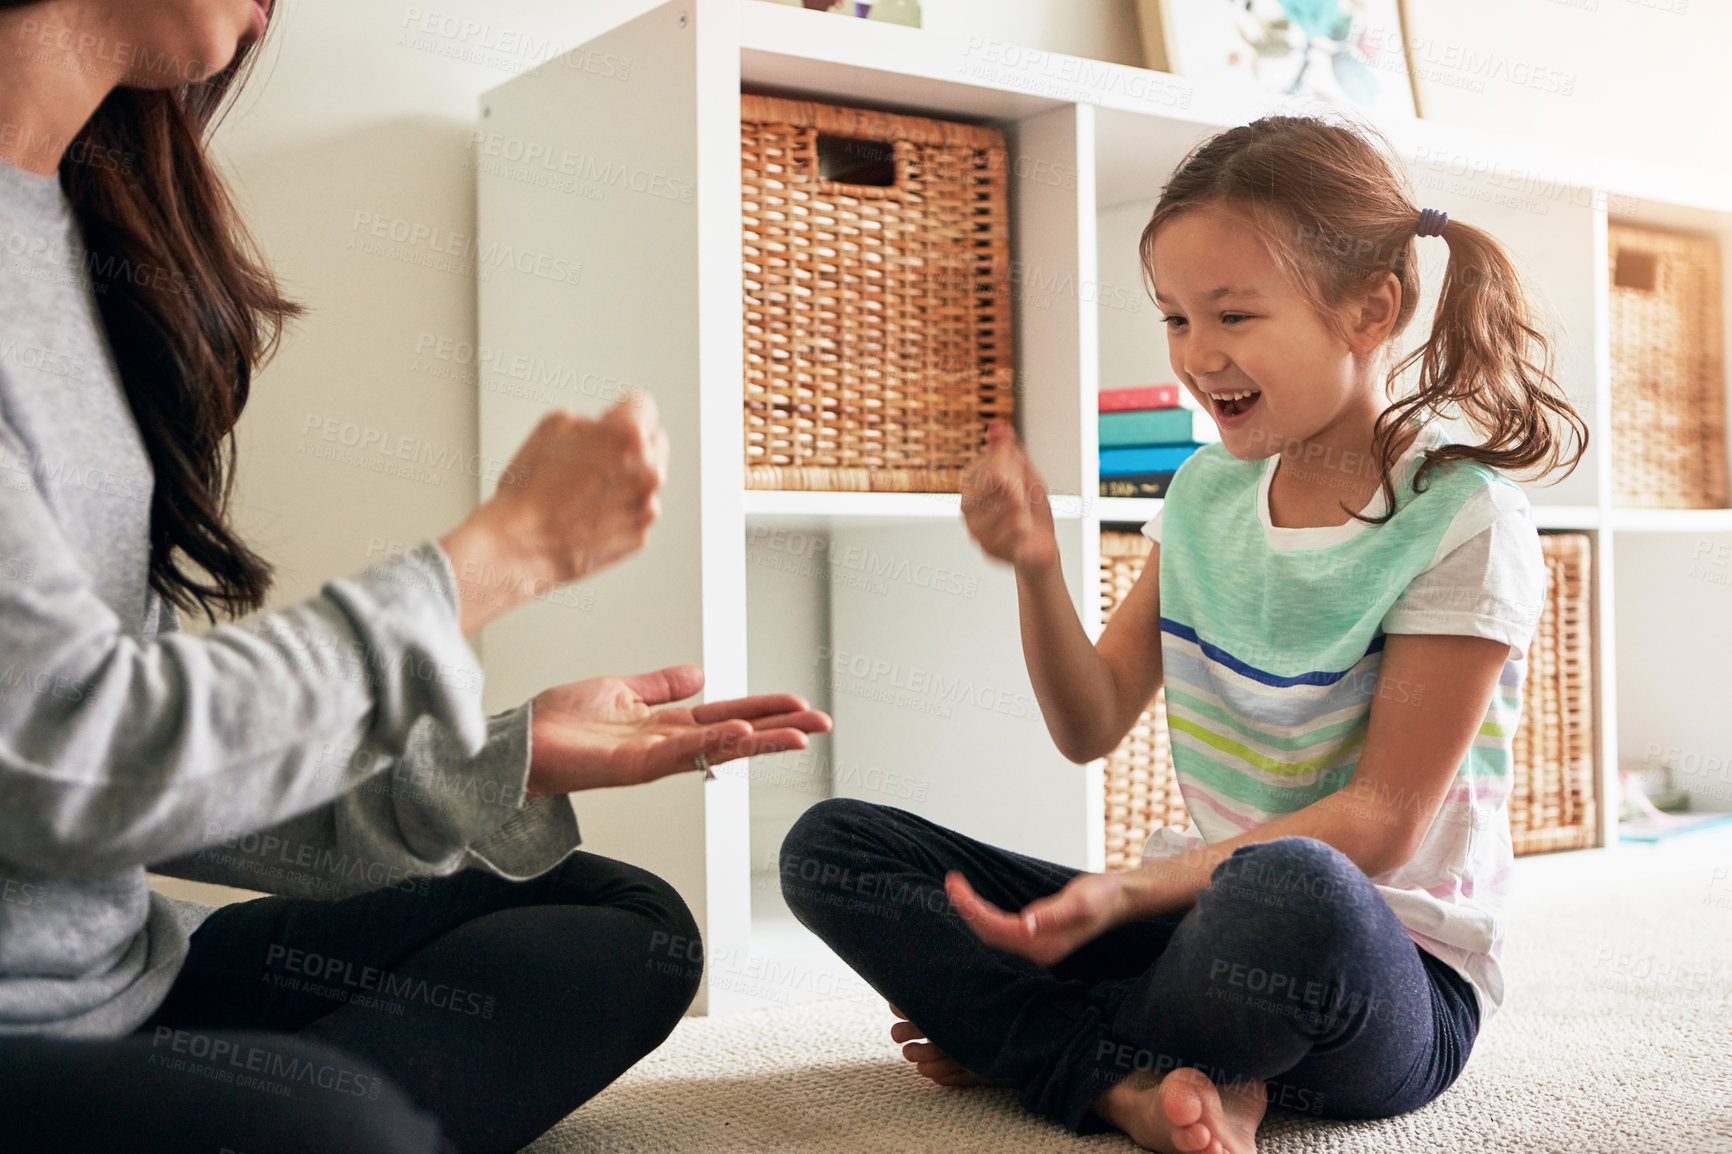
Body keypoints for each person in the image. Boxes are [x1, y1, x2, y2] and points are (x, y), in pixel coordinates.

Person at [0, 3, 832, 1152]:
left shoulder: (69, 230)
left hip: (125, 980)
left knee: (626, 921)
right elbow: (71, 759)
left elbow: (140, 766)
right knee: (346, 1129)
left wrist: (501, 760)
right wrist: (486, 565)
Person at [781, 113, 1588, 1154]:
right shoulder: (1205, 492)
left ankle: (1042, 1044)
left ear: (1368, 308)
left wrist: (1122, 891)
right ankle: (1139, 1071)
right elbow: (1090, 721)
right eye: (1172, 318)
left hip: (1382, 966)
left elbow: (1380, 822)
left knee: (1291, 890)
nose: (1198, 356)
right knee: (834, 847)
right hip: (1195, 923)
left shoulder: (1464, 516)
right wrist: (1035, 566)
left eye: (1235, 315)